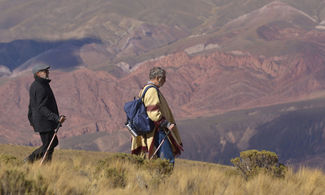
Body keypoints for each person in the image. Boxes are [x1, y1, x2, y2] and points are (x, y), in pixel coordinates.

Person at [131, 67, 183, 165]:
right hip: (157, 131)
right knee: (167, 159)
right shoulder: (152, 90)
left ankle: (158, 178)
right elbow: (153, 112)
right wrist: (166, 123)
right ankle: (163, 178)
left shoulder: (145, 89)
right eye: (163, 78)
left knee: (156, 158)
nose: (165, 81)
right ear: (158, 78)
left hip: (153, 130)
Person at [25, 63, 66, 163]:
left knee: (51, 143)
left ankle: (44, 166)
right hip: (44, 121)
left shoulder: (38, 85)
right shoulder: (40, 87)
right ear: (38, 73)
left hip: (42, 120)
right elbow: (41, 107)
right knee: (49, 144)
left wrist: (31, 118)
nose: (47, 72)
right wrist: (56, 118)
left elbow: (32, 105)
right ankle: (30, 160)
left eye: (47, 70)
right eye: (45, 71)